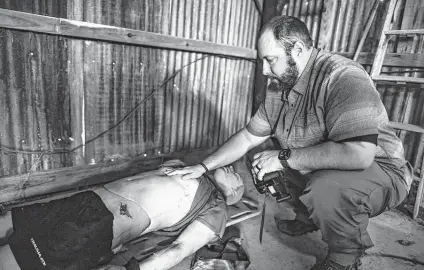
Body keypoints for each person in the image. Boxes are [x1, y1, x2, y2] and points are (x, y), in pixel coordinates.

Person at [165, 16, 413, 270]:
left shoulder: (343, 78)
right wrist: (203, 167)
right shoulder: (280, 86)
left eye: (270, 60)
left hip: (381, 172)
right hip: (328, 165)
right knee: (263, 161)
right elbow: (249, 137)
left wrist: (283, 157)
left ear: (297, 50)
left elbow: (359, 154)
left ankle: (345, 256)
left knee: (325, 187)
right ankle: (309, 217)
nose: (263, 70)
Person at [0, 159, 244, 270]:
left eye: (239, 176)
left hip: (93, 227)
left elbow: (179, 249)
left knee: (11, 259)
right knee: (6, 221)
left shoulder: (216, 207)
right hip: (82, 200)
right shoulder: (185, 165)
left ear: (234, 192)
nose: (234, 167)